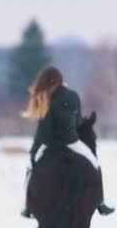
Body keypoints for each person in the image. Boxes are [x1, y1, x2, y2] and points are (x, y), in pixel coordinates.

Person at [21, 66, 114, 217]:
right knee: (94, 164)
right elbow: (77, 123)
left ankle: (28, 206)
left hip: (49, 144)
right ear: (60, 80)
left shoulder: (45, 98)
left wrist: (34, 152)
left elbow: (42, 131)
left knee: (30, 170)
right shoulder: (72, 96)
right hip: (72, 142)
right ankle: (100, 202)